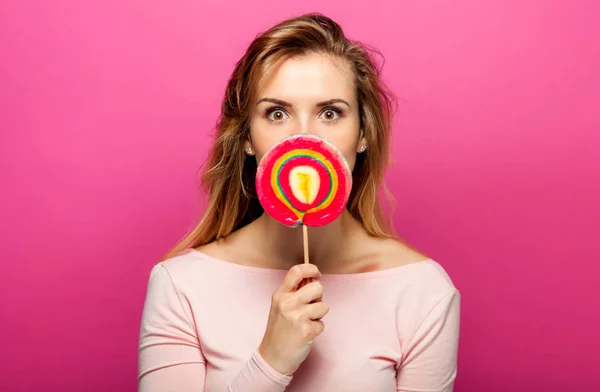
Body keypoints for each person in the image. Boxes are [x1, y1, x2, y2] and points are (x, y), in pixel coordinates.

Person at [138, 13, 460, 392]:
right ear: (246, 138)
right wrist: (271, 362)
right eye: (277, 113)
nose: (304, 136)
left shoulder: (422, 292)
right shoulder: (182, 285)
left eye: (330, 113)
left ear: (362, 135)